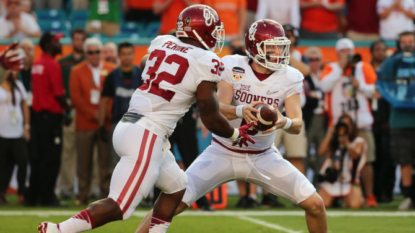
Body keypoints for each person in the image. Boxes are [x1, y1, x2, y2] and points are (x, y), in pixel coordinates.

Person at [38, 5, 253, 233]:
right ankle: (58, 230)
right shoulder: (207, 61)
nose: (216, 35)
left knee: (177, 187)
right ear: (201, 32)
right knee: (119, 207)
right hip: (147, 133)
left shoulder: (161, 42)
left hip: (130, 125)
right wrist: (235, 134)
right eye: (213, 30)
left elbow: (145, 64)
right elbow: (210, 117)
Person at [136, 19, 327, 233]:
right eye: (271, 46)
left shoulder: (290, 76)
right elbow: (218, 107)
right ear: (255, 47)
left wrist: (284, 121)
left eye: (280, 46)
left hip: (263, 155)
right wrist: (242, 109)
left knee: (316, 205)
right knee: (172, 203)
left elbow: (297, 124)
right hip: (222, 151)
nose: (278, 52)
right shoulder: (233, 65)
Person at [320, 38, 378, 207]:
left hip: (361, 122)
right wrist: (340, 68)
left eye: (349, 52)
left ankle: (370, 196)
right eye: (343, 52)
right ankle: (335, 192)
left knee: (366, 161)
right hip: (340, 123)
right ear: (337, 53)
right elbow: (325, 87)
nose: (346, 55)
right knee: (334, 157)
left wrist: (360, 86)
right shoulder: (331, 68)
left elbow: (374, 91)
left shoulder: (363, 67)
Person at [25, 31, 71, 207]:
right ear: (48, 45)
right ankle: (47, 197)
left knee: (37, 158)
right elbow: (59, 94)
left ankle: (32, 197)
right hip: (51, 119)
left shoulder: (37, 64)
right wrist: (67, 111)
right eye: (56, 42)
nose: (60, 44)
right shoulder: (52, 65)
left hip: (37, 118)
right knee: (51, 159)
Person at [69, 38, 116, 206]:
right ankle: (82, 196)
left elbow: (114, 96)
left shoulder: (112, 69)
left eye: (97, 51)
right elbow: (76, 97)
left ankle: (106, 196)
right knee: (83, 163)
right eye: (91, 52)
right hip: (85, 123)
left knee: (106, 162)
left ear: (102, 53)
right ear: (85, 54)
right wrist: (94, 114)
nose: (95, 55)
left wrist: (104, 114)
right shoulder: (76, 71)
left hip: (106, 123)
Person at [377, 31, 415, 209]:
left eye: (411, 41)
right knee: (404, 160)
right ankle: (408, 196)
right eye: (404, 41)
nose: (408, 44)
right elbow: (383, 84)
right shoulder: (391, 63)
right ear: (399, 43)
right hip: (399, 119)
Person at [99, 42, 142, 167]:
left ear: (134, 55)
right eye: (123, 54)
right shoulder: (112, 76)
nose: (126, 57)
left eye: (129, 53)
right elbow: (104, 101)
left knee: (137, 161)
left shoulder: (141, 75)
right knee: (116, 161)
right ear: (118, 56)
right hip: (117, 124)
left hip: (138, 125)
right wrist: (101, 124)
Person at [57, 28, 88, 200]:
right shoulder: (63, 62)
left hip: (87, 109)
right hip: (69, 107)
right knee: (67, 150)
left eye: (81, 39)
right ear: (72, 41)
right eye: (76, 39)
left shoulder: (90, 60)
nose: (78, 42)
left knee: (91, 151)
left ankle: (92, 188)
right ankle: (66, 188)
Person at [317, 114, 366, 209]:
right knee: (323, 204)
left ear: (352, 127)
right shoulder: (334, 141)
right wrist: (331, 132)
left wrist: (346, 142)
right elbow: (321, 151)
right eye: (343, 125)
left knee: (355, 205)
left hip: (350, 181)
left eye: (348, 125)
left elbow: (355, 155)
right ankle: (335, 200)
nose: (345, 127)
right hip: (333, 180)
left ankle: (357, 197)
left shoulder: (358, 141)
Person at [0, 47, 27, 205]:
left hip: (17, 132)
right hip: (2, 132)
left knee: (22, 162)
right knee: (4, 165)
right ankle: (1, 192)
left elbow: (24, 106)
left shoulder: (19, 86)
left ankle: (22, 193)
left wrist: (27, 126)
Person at [303, 46, 326, 186]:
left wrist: (313, 97)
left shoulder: (325, 75)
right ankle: (303, 187)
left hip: (323, 118)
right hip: (308, 119)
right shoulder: (303, 77)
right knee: (304, 153)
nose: (313, 62)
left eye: (316, 59)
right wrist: (317, 98)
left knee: (321, 154)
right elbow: (306, 99)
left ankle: (320, 186)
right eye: (310, 60)